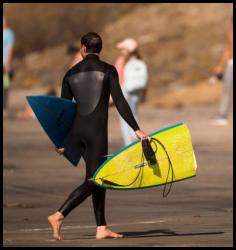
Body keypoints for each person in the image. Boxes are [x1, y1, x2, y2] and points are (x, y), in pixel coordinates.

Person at [47, 32, 148, 240]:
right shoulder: (108, 70)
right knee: (97, 178)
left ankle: (101, 227)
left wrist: (60, 140)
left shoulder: (70, 73)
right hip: (96, 133)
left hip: (76, 133)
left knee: (95, 177)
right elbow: (120, 101)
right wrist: (136, 128)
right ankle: (59, 214)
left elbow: (63, 110)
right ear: (99, 49)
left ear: (83, 48)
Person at [115, 38, 148, 146]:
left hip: (126, 93)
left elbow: (118, 80)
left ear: (128, 50)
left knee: (125, 118)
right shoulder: (140, 61)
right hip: (136, 93)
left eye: (123, 49)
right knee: (134, 116)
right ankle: (136, 140)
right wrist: (144, 94)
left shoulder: (123, 62)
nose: (121, 51)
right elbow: (145, 81)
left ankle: (129, 144)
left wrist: (112, 97)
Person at [212, 18, 233, 126]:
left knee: (227, 91)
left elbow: (229, 50)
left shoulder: (231, 33)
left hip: (231, 64)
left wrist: (220, 66)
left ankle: (222, 116)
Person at [3, 16, 15, 117]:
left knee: (5, 86)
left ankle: (4, 108)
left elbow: (9, 49)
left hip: (4, 65)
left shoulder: (9, 34)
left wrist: (7, 64)